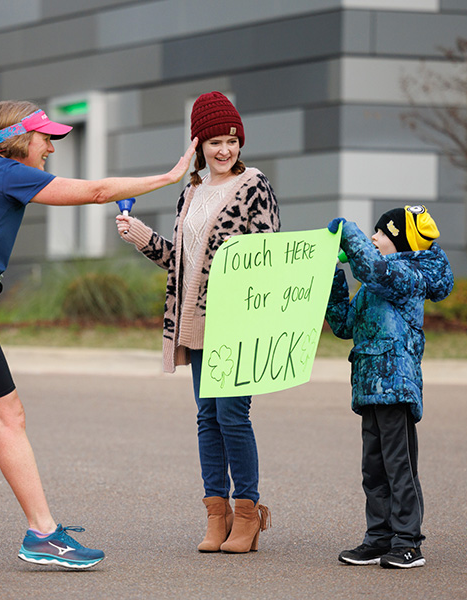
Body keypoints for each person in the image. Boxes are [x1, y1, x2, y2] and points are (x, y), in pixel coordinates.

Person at [0, 99, 197, 569]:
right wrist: (168, 177)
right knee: (9, 417)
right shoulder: (7, 172)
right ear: (19, 140)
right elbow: (98, 191)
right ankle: (43, 534)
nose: (50, 150)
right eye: (45, 139)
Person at [115, 91, 278, 553]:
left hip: (237, 321)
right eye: (214, 141)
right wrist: (143, 238)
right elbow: (181, 262)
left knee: (232, 414)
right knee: (207, 417)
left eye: (231, 140)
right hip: (195, 321)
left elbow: (267, 258)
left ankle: (247, 515)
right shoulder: (190, 192)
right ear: (199, 145)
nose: (224, 150)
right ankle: (216, 515)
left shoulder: (254, 187)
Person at [324, 205, 453, 569]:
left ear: (399, 240)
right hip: (368, 386)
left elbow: (374, 268)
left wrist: (349, 232)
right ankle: (379, 537)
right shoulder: (372, 286)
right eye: (371, 233)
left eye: (380, 233)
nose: (374, 238)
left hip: (395, 386)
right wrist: (332, 275)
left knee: (400, 465)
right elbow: (344, 325)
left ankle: (408, 541)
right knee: (373, 468)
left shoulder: (408, 276)